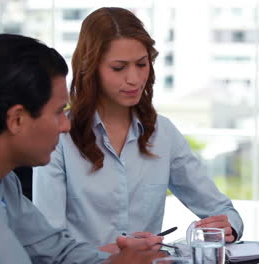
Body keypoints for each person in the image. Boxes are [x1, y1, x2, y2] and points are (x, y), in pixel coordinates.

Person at [33, 7, 243, 252]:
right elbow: (47, 247)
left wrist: (229, 226)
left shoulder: (162, 133)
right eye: (119, 68)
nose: (134, 79)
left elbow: (224, 211)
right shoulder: (59, 136)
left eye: (141, 64)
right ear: (90, 69)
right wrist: (113, 253)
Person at [0, 33, 165, 263]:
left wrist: (113, 261)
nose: (65, 126)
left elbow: (55, 251)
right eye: (57, 112)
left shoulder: (6, 183)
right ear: (17, 120)